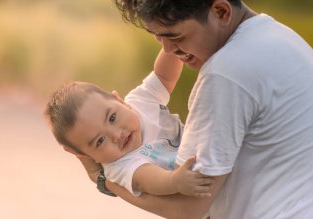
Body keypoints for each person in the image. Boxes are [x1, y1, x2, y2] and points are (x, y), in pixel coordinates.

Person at [80, 0, 313, 219]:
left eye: (175, 36)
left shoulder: (225, 73)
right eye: (158, 37)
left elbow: (187, 208)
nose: (169, 49)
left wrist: (106, 179)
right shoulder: (279, 37)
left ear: (221, 11)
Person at [45, 49, 215, 199]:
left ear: (119, 100)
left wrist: (175, 46)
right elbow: (147, 179)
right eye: (100, 141)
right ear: (87, 156)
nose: (116, 135)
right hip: (202, 189)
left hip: (210, 150)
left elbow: (163, 76)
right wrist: (174, 181)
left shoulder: (139, 103)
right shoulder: (118, 166)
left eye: (112, 118)